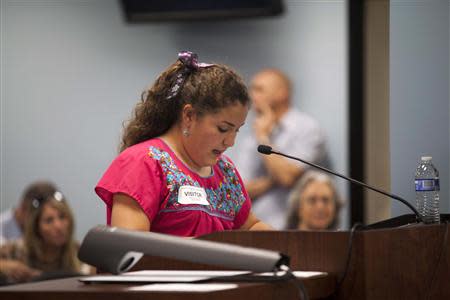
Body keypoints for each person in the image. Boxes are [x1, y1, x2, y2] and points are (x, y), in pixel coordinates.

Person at [95, 51, 272, 237]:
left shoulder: (225, 170)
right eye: (222, 129)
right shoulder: (143, 162)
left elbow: (250, 226)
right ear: (189, 116)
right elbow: (130, 247)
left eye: (236, 130)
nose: (231, 142)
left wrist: (289, 247)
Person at [233, 68, 327, 229]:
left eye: (259, 89)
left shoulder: (307, 128)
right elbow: (240, 190)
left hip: (294, 231)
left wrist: (263, 137)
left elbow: (287, 177)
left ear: (282, 93)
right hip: (255, 229)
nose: (252, 96)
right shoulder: (252, 133)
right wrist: (272, 180)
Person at [0, 188, 90, 284]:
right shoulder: (17, 249)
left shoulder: (79, 252)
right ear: (36, 227)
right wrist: (4, 266)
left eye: (62, 217)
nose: (58, 226)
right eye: (49, 220)